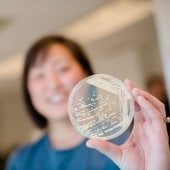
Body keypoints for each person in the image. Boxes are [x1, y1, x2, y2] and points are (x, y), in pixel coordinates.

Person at [5, 35, 170, 170]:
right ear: (28, 89)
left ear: (88, 75)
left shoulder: (127, 145)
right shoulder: (21, 161)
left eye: (63, 69)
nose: (53, 84)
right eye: (39, 75)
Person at [146, 75, 170, 144]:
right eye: (156, 89)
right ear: (150, 91)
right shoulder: (147, 108)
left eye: (161, 90)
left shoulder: (167, 104)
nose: (159, 92)